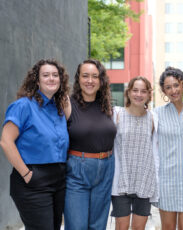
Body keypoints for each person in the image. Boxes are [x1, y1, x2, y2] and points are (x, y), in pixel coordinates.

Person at [0, 59, 69, 230]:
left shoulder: (58, 108)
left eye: (55, 75)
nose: (51, 78)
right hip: (33, 179)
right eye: (45, 75)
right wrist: (26, 174)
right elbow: (6, 141)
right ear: (37, 80)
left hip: (59, 179)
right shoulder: (23, 106)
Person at [63, 59, 117, 230]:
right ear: (78, 79)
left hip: (106, 169)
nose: (90, 80)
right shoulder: (66, 103)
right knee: (77, 226)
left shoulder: (107, 105)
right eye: (85, 76)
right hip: (77, 170)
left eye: (95, 76)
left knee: (98, 226)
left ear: (101, 80)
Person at [153, 67, 183, 230]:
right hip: (166, 180)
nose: (173, 90)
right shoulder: (156, 114)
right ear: (163, 91)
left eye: (176, 85)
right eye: (168, 87)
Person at [111, 76, 159, 230]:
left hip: (144, 181)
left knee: (139, 228)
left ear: (148, 94)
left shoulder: (153, 118)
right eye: (135, 90)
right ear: (129, 92)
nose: (139, 94)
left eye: (143, 91)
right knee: (122, 227)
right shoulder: (116, 114)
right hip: (121, 182)